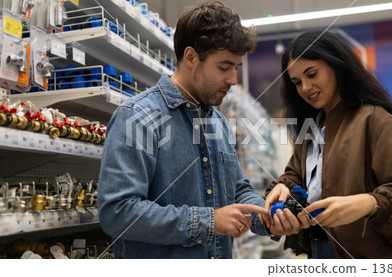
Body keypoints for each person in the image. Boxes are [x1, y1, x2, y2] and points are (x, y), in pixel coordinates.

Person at [98, 1, 270, 259]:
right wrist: (209, 221)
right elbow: (117, 212)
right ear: (190, 57)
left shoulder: (218, 123)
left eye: (236, 68)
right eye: (224, 67)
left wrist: (269, 216)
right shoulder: (138, 118)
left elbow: (237, 190)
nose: (233, 80)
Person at [261, 30, 392, 259]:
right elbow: (296, 176)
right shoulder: (311, 128)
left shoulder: (375, 120)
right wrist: (283, 191)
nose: (305, 88)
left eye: (312, 74)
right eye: (297, 82)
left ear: (337, 65)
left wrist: (370, 203)